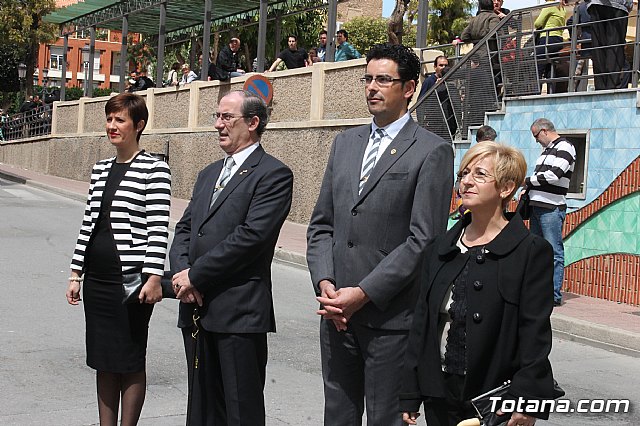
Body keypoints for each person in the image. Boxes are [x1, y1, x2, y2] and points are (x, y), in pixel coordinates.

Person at [306, 43, 453, 426]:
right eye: (368, 79)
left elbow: (424, 239)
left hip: (390, 320)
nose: (372, 87)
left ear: (409, 88)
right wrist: (326, 283)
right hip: (336, 313)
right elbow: (322, 224)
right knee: (338, 416)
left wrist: (363, 293)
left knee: (385, 419)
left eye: (383, 80)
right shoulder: (345, 143)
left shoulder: (431, 150)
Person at [400, 141, 558, 426]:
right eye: (464, 174)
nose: (466, 182)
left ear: (506, 188)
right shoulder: (440, 247)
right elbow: (421, 324)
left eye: (480, 175)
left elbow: (534, 332)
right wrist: (410, 392)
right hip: (440, 396)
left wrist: (528, 400)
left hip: (495, 400)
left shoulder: (530, 251)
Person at [169, 90, 293, 426]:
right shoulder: (209, 173)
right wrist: (182, 272)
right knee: (202, 408)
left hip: (238, 314)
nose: (218, 125)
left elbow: (251, 238)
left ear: (252, 123)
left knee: (240, 409)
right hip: (196, 309)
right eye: (217, 117)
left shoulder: (273, 175)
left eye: (227, 117)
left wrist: (196, 275)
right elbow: (185, 229)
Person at [66, 92, 171, 426]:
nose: (112, 126)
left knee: (129, 357)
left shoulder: (154, 168)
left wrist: (154, 276)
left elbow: (158, 227)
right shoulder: (100, 169)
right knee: (103, 359)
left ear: (138, 125)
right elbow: (89, 224)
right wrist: (75, 272)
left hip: (131, 281)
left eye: (120, 120)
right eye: (109, 119)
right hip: (97, 281)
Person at [525, 118, 576, 307]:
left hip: (551, 208)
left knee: (553, 251)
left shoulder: (565, 146)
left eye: (536, 136)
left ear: (544, 131)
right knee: (536, 252)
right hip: (538, 207)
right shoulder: (546, 151)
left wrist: (528, 181)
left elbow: (555, 175)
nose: (536, 140)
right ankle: (537, 291)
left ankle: (553, 294)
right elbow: (542, 178)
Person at [587, 0, 632, 89]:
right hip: (618, 5)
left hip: (597, 4)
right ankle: (612, 86)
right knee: (615, 48)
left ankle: (601, 88)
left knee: (599, 49)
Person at [535, 0, 568, 80]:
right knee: (550, 67)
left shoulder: (549, 5)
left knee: (538, 67)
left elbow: (537, 24)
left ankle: (536, 92)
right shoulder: (563, 9)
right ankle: (551, 91)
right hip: (558, 41)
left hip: (547, 39)